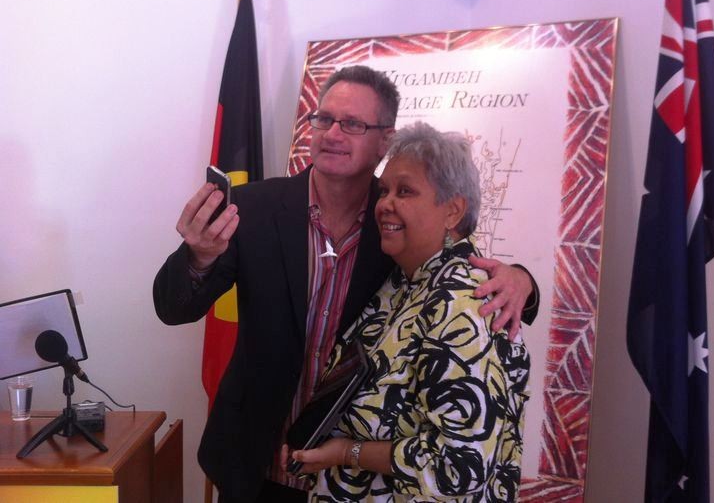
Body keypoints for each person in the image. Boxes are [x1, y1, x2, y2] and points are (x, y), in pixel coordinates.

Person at [153, 65, 538, 503]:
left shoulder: (397, 220)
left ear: (385, 141)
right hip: (254, 464)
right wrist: (199, 257)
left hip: (345, 479)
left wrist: (522, 278)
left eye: (353, 124)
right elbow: (173, 307)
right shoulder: (252, 208)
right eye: (324, 118)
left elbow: (458, 271)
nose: (332, 133)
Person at [287, 122, 530, 502]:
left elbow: (458, 467)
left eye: (405, 191)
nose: (384, 204)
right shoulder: (403, 282)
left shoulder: (465, 303)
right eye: (384, 191)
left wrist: (347, 452)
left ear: (453, 211)